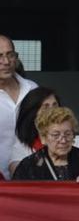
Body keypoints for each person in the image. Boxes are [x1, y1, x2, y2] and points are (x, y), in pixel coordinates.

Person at [8, 88, 79, 175]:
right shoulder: (22, 146)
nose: (52, 110)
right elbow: (19, 177)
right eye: (45, 107)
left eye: (55, 105)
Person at [11, 107, 79, 186]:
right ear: (43, 138)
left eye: (68, 134)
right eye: (56, 135)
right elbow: (18, 195)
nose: (63, 140)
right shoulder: (29, 165)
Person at [0, 35, 39, 179]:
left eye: (10, 55)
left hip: (32, 180)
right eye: (0, 56)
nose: (6, 62)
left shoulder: (32, 89)